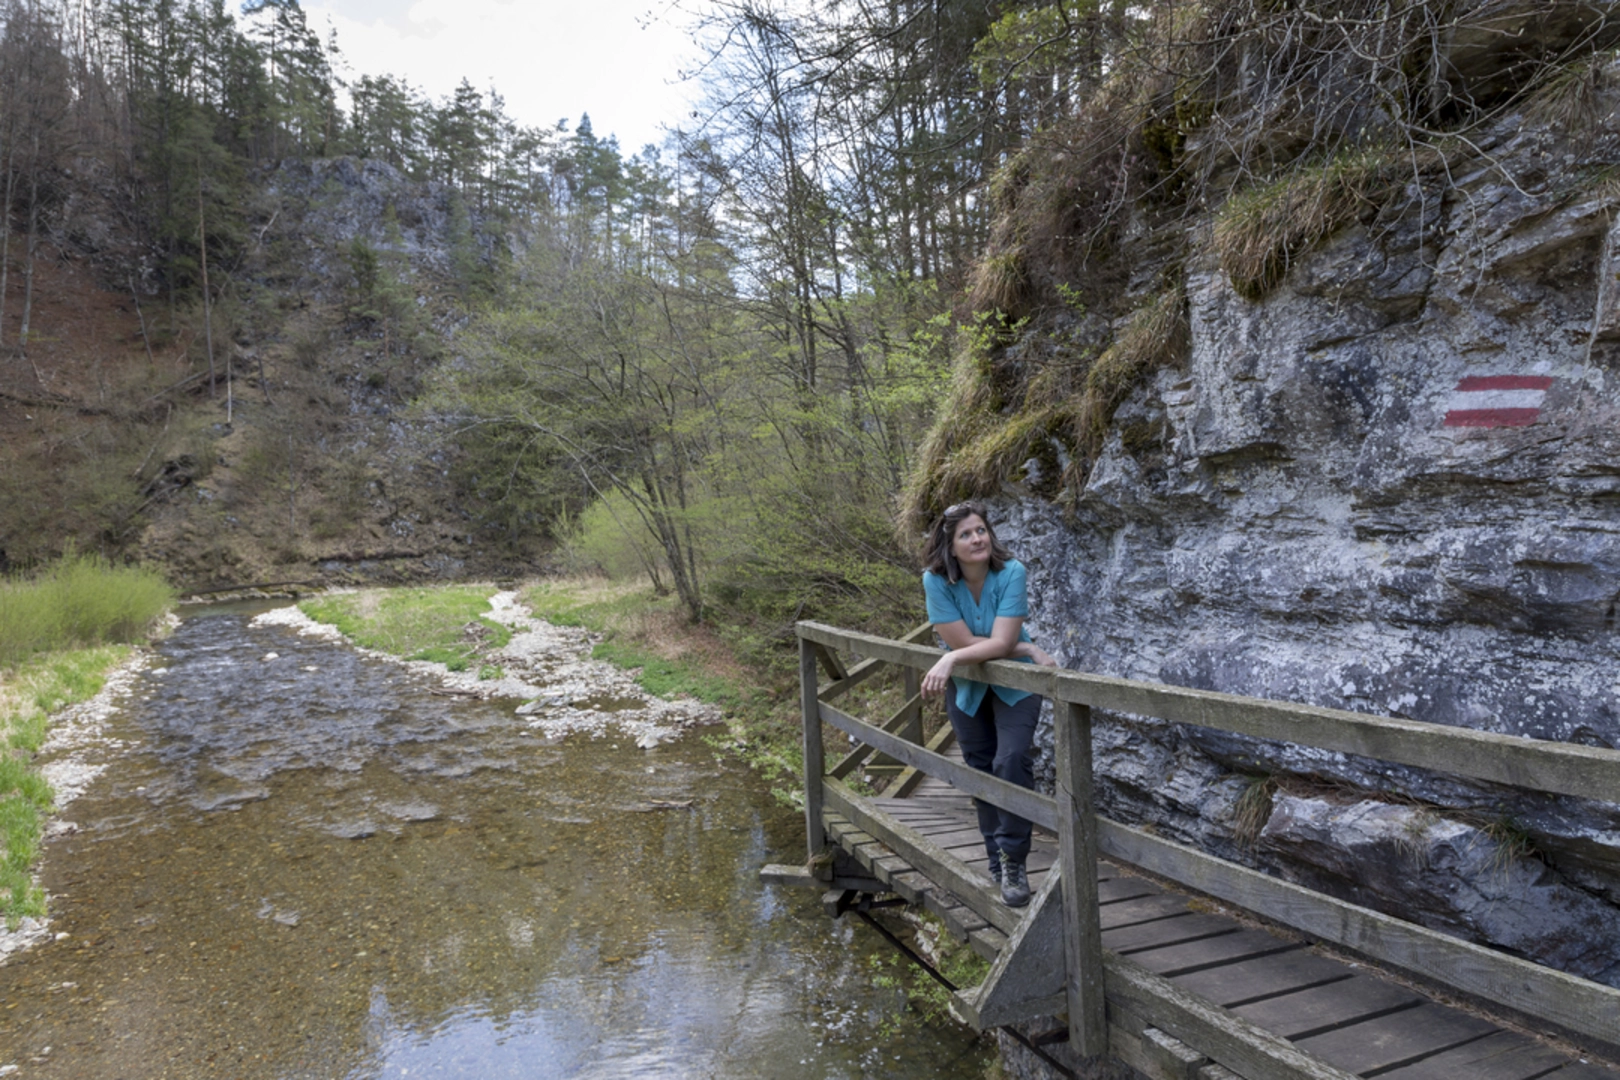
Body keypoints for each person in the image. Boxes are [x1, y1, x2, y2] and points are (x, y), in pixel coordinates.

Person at [919, 501, 1055, 908]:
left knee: (1010, 762)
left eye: (981, 530)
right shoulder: (935, 581)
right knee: (981, 770)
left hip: (1016, 686)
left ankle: (1013, 861)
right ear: (950, 545)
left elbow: (990, 644)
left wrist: (951, 658)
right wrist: (1025, 647)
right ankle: (995, 856)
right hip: (968, 688)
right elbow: (966, 642)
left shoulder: (1012, 572)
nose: (977, 539)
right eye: (966, 534)